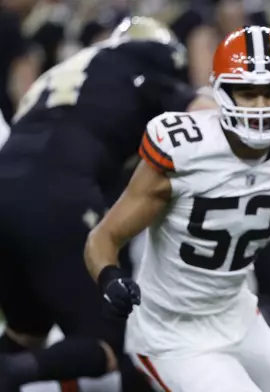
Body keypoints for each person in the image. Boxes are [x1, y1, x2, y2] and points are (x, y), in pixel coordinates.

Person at [83, 24, 270, 392]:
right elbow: (104, 236)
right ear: (222, 92)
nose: (261, 106)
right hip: (172, 330)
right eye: (248, 92)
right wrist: (109, 278)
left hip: (237, 312)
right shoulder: (184, 149)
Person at [0, 16, 213, 391]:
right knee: (118, 342)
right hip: (59, 190)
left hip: (9, 182)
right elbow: (201, 115)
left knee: (26, 331)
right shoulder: (147, 60)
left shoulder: (77, 71)